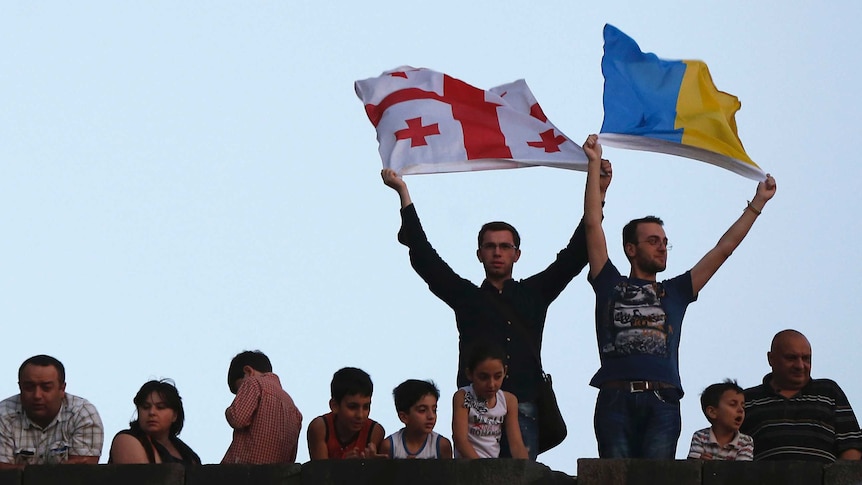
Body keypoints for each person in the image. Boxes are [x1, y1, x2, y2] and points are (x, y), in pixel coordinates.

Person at [381, 162, 611, 459]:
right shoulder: (467, 297)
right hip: (474, 411)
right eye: (490, 246)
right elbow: (426, 259)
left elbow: (576, 253)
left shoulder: (534, 293)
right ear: (479, 254)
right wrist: (404, 194)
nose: (498, 252)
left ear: (517, 253)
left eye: (505, 246)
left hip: (525, 405)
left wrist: (600, 191)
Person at [582, 134, 777, 458]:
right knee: (611, 479)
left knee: (658, 481)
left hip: (662, 400)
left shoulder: (675, 291)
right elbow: (592, 226)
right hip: (615, 398)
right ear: (631, 249)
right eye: (652, 241)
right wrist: (593, 166)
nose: (662, 247)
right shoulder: (609, 283)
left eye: (664, 241)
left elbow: (723, 249)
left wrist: (757, 204)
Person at [741, 329, 862, 462]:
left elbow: (851, 446)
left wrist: (840, 479)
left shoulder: (829, 391)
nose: (800, 365)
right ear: (771, 359)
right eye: (791, 358)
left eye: (806, 358)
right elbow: (729, 445)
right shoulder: (746, 399)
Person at [0, 355, 103, 468]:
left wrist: (22, 471)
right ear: (20, 387)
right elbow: (5, 476)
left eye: (46, 387)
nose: (37, 395)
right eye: (29, 387)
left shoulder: (83, 414)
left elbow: (80, 475)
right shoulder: (3, 414)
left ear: (62, 389)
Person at [221, 350, 303, 464]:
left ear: (248, 371)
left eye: (239, 391)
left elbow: (237, 419)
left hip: (242, 471)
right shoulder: (294, 409)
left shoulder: (253, 383)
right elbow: (291, 457)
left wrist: (228, 412)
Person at [452, 344, 528, 459]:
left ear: (505, 371)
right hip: (467, 466)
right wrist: (481, 467)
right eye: (483, 377)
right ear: (469, 374)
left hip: (492, 465)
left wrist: (525, 470)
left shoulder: (509, 401)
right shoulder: (463, 396)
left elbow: (516, 444)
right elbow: (460, 440)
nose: (491, 384)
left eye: (497, 377)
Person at [108, 380, 200, 465]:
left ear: (175, 415)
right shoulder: (127, 440)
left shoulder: (186, 453)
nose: (152, 412)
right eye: (145, 407)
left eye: (160, 407)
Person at [307, 367, 385, 459]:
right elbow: (320, 471)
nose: (360, 415)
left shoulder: (374, 431)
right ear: (334, 406)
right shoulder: (321, 428)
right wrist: (344, 467)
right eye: (352, 407)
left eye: (366, 407)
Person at [380, 379, 452, 459]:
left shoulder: (442, 445)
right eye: (422, 410)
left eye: (434, 410)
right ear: (404, 417)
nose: (431, 416)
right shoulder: (390, 446)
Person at [687, 379, 753, 461]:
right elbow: (692, 468)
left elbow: (742, 470)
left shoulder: (745, 442)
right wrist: (700, 463)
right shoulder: (700, 437)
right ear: (712, 412)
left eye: (743, 406)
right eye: (733, 404)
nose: (741, 410)